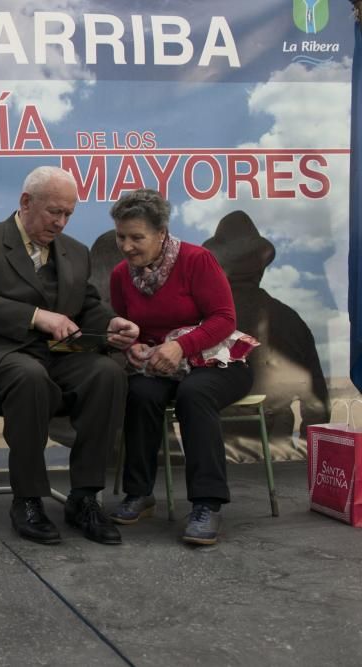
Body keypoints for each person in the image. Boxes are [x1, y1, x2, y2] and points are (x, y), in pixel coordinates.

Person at [0, 166, 139, 546]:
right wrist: (38, 317)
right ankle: (28, 500)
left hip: (60, 352)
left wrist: (114, 322)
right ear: (26, 202)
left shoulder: (76, 251)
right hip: (3, 350)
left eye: (69, 213)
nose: (62, 222)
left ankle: (84, 498)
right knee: (30, 378)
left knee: (107, 374)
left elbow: (88, 306)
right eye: (55, 211)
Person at [108, 189, 253, 546]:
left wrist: (180, 346)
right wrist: (134, 346)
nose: (127, 246)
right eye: (121, 236)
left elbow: (224, 319)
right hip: (163, 365)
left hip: (217, 360)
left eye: (136, 237)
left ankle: (206, 504)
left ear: (161, 234)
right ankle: (140, 494)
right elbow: (127, 327)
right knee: (139, 393)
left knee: (194, 394)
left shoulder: (197, 260)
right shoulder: (120, 276)